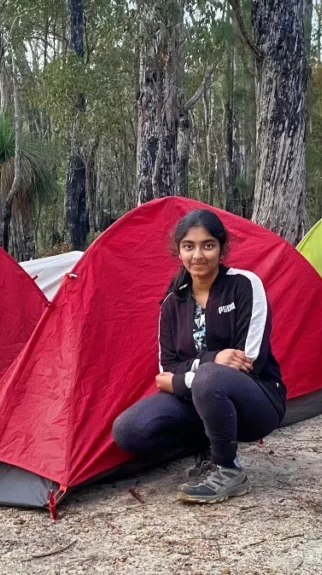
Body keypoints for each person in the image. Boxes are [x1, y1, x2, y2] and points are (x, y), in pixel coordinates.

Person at [112, 209, 286, 504]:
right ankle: (207, 447)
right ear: (178, 251)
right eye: (188, 246)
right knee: (129, 430)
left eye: (208, 245)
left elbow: (248, 360)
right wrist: (213, 359)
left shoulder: (244, 285)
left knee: (209, 379)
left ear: (221, 249)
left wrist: (181, 380)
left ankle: (228, 470)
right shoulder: (172, 303)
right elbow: (166, 367)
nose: (198, 255)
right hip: (199, 398)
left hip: (257, 401)